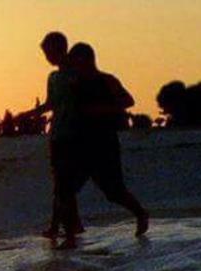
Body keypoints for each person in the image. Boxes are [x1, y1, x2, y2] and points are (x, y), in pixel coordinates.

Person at [57, 43, 150, 246]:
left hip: (104, 142)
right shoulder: (74, 83)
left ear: (87, 59)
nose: (73, 64)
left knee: (113, 192)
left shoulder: (106, 80)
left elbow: (128, 100)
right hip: (80, 142)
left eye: (76, 59)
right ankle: (70, 237)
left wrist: (103, 109)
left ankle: (141, 213)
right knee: (65, 190)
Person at [26, 32, 84, 242]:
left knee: (64, 185)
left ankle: (67, 232)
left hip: (74, 135)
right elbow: (50, 103)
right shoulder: (54, 77)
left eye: (49, 52)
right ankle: (64, 226)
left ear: (60, 49)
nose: (47, 58)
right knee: (60, 183)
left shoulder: (76, 75)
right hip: (57, 136)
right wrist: (30, 114)